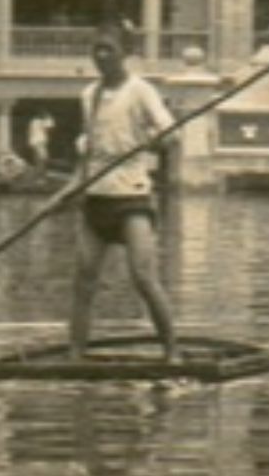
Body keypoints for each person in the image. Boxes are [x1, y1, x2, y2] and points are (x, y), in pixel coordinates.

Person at [69, 25, 178, 361]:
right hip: (97, 197)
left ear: (125, 53)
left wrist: (157, 140)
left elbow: (171, 135)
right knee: (83, 281)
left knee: (143, 277)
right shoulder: (90, 95)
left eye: (108, 50)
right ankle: (76, 354)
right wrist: (72, 188)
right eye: (97, 49)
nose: (101, 56)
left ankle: (172, 352)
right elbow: (89, 153)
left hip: (131, 197)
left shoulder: (141, 91)